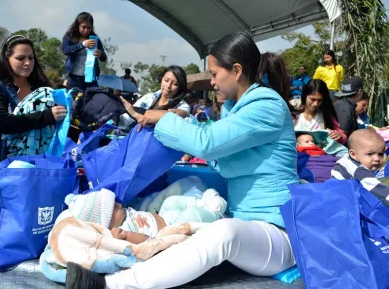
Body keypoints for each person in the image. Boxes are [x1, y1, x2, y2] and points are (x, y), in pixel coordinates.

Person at [68, 33, 298, 289]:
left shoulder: (267, 106)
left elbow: (207, 143)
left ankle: (111, 285)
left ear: (236, 70)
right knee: (183, 214)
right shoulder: (239, 110)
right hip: (249, 227)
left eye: (213, 74)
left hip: (279, 233)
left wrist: (163, 117)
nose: (211, 82)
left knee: (224, 234)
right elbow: (218, 154)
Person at [65, 187, 226, 245]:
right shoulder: (121, 232)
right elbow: (146, 242)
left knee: (171, 201)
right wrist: (127, 236)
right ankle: (214, 213)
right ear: (106, 221)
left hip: (163, 216)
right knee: (189, 216)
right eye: (114, 207)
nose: (120, 204)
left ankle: (203, 203)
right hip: (168, 229)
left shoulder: (126, 213)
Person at [0, 35, 67, 134]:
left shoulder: (41, 86)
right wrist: (47, 116)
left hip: (43, 149)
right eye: (20, 58)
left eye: (31, 58)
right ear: (6, 59)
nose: (27, 62)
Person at [118, 66, 190, 131]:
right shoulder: (148, 97)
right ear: (161, 79)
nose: (168, 86)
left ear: (180, 87)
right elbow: (125, 121)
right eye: (166, 80)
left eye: (175, 84)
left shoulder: (183, 106)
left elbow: (171, 120)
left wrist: (135, 114)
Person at [331, 129, 389, 203]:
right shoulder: (359, 170)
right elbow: (378, 189)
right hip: (340, 200)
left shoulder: (346, 159)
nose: (377, 159)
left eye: (380, 154)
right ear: (353, 154)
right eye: (370, 154)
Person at [293, 79, 347, 144]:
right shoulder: (291, 113)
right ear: (305, 96)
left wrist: (340, 136)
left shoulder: (326, 116)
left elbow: (343, 136)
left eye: (319, 100)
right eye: (312, 99)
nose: (315, 104)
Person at [62, 12, 107, 90]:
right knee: (74, 101)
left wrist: (100, 54)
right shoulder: (70, 36)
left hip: (91, 80)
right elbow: (65, 50)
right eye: (83, 27)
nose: (86, 30)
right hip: (74, 79)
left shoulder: (94, 39)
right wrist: (82, 45)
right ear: (77, 25)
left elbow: (104, 58)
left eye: (89, 27)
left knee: (94, 101)